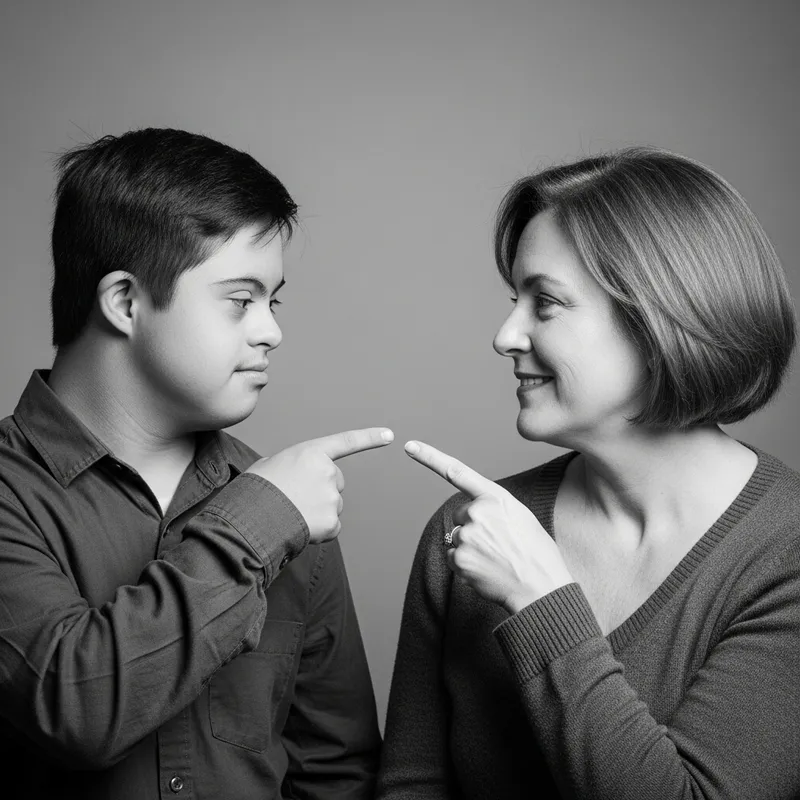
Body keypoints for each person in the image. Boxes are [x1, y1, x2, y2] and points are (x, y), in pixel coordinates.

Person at [377, 147, 800, 799]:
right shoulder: (469, 534)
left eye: (543, 303)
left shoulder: (784, 555)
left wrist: (543, 604)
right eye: (514, 298)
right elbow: (412, 784)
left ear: (659, 321)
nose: (505, 335)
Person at [0, 127, 393, 800]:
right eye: (241, 300)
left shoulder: (290, 510)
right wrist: (257, 526)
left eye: (274, 301)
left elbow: (336, 772)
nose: (271, 330)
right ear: (125, 302)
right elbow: (76, 710)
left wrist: (274, 516)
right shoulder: (273, 510)